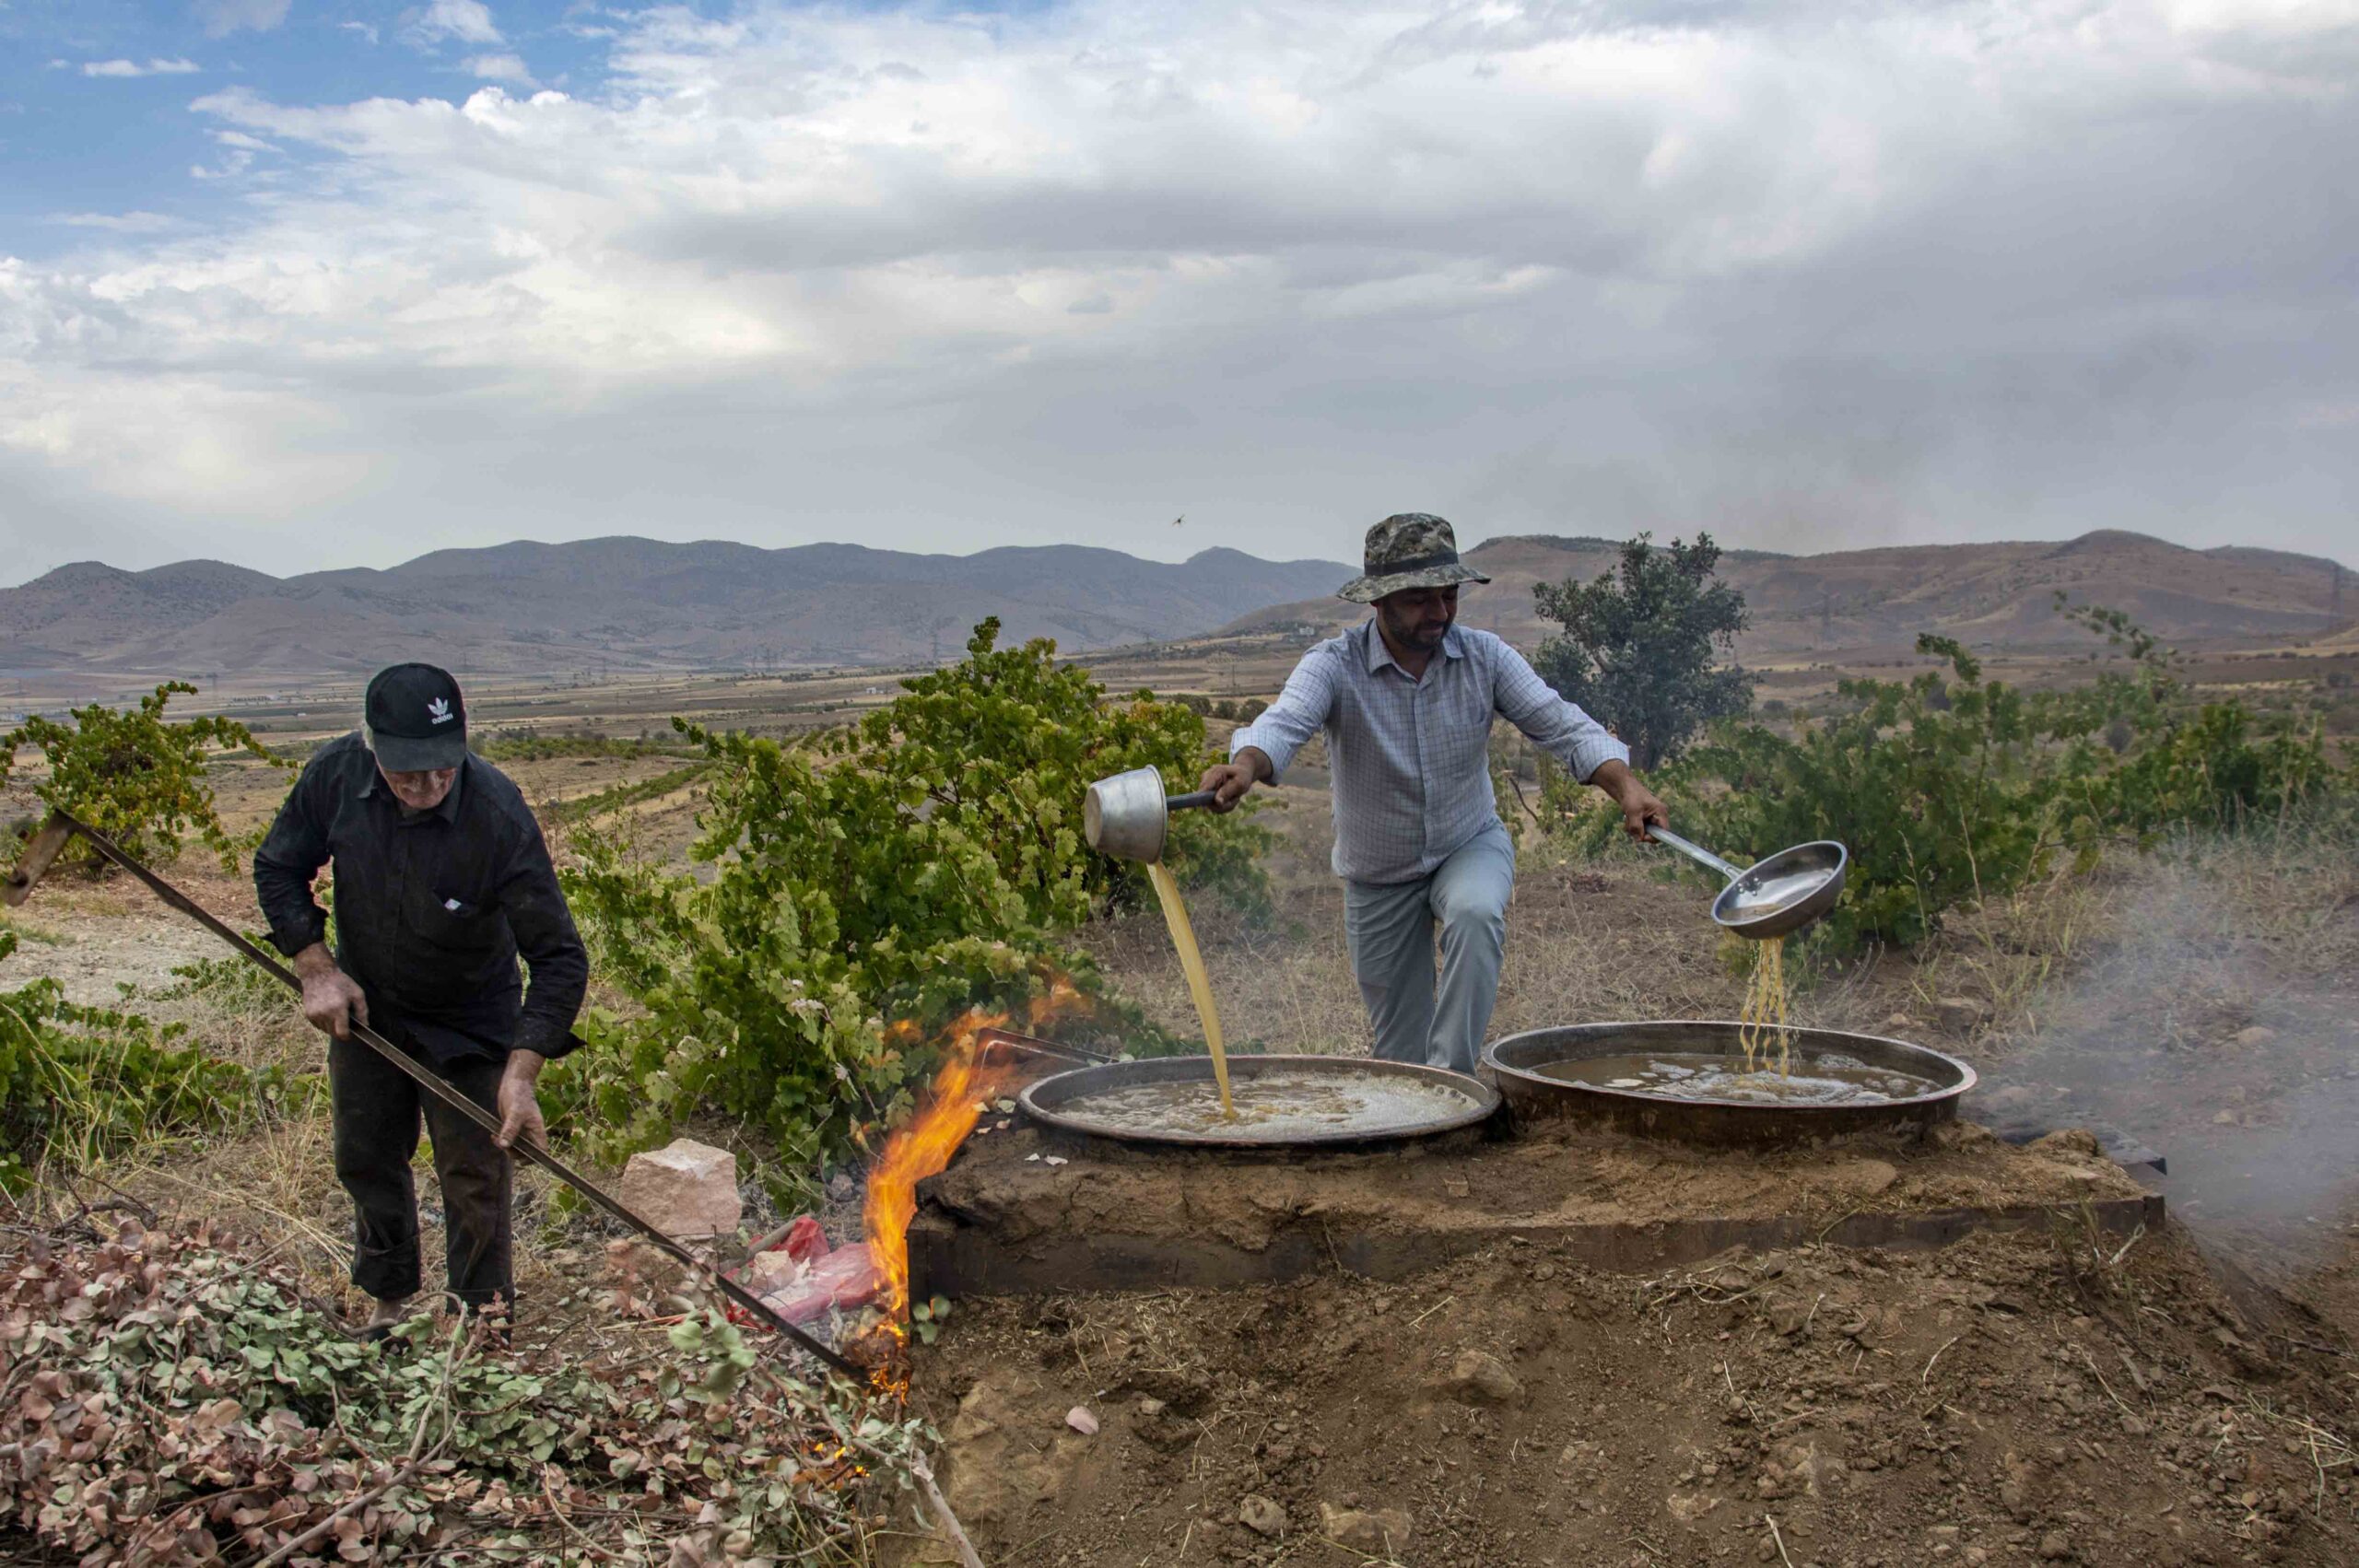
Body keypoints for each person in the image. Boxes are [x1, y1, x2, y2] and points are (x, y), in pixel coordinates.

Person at [1202, 514, 1667, 1075]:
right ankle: (1419, 1102)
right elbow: (1285, 720)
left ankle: (1455, 1083)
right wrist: (1247, 765)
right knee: (1399, 1057)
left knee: (1475, 914)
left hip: (1467, 841)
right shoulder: (1333, 665)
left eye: (1449, 597)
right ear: (1379, 601)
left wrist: (1627, 787)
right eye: (1422, 600)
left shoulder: (1485, 658)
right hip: (1378, 872)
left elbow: (1562, 725)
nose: (1441, 613)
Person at [254, 662, 588, 1337]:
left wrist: (521, 1075)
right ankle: (387, 1308)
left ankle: (479, 1328)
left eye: (442, 767)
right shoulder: (337, 777)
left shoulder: (497, 814)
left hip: (471, 1018)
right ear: (372, 747)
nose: (428, 786)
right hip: (370, 1006)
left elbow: (559, 957)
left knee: (474, 1178)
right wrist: (316, 968)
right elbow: (279, 866)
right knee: (367, 1154)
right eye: (407, 771)